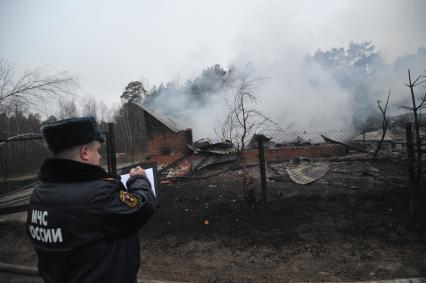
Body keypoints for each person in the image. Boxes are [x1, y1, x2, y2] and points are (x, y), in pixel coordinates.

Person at [26, 116, 157, 283]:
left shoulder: (39, 194)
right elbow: (142, 206)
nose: (100, 156)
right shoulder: (99, 194)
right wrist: (138, 179)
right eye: (97, 150)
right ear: (85, 152)